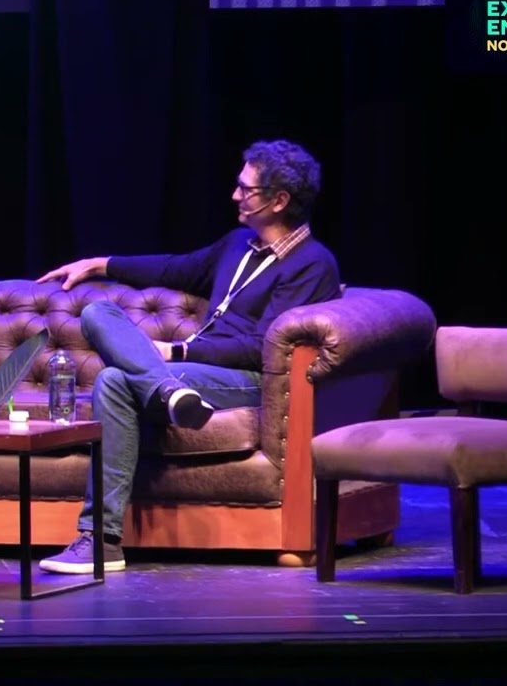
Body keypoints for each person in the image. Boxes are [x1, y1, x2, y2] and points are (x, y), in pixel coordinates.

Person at [34, 139, 343, 574]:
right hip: (189, 378)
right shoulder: (239, 244)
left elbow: (264, 346)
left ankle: (100, 535)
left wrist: (179, 350)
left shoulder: (312, 264)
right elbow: (173, 267)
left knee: (115, 379)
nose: (235, 195)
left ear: (279, 201)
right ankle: (106, 537)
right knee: (98, 318)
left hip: (248, 379)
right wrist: (101, 264)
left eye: (246, 189)